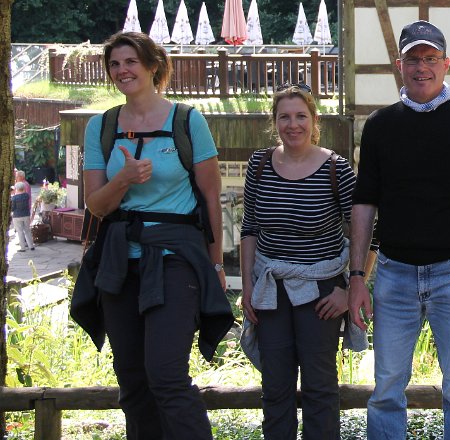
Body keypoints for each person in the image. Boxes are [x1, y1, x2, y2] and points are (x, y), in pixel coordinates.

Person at [348, 20, 450, 440]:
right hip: (394, 276)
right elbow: (364, 205)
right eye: (413, 59)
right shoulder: (380, 125)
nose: (422, 67)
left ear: (446, 64)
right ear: (399, 65)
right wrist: (357, 277)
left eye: (431, 58)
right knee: (386, 389)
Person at [70, 31, 233, 440]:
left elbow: (211, 198)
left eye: (131, 62)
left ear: (152, 65)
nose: (122, 70)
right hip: (119, 262)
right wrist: (124, 179)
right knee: (131, 377)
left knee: (166, 375)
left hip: (175, 258)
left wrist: (216, 264)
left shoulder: (187, 121)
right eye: (114, 64)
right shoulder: (101, 126)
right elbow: (96, 205)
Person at [240, 83, 363, 439]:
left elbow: (367, 232)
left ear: (314, 120)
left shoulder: (336, 169)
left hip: (321, 290)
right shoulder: (259, 164)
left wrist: (349, 289)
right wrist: (247, 286)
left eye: (300, 116)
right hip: (270, 289)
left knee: (320, 387)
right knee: (275, 387)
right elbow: (250, 227)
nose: (292, 125)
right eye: (284, 117)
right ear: (274, 122)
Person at [10, 181, 34, 252]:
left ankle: (22, 248)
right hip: (26, 215)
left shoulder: (14, 198)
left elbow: (12, 208)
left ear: (16, 189)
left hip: (17, 216)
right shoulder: (26, 196)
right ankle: (31, 246)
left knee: (20, 232)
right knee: (27, 230)